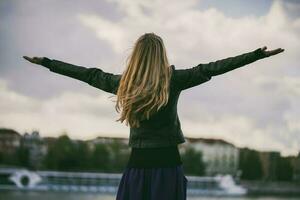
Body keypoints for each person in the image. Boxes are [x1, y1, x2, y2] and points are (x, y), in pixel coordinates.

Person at [23, 32, 284, 200]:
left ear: (136, 57)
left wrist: (47, 62)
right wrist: (256, 55)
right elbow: (214, 68)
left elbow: (88, 74)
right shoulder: (175, 80)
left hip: (137, 167)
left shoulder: (122, 84)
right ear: (161, 55)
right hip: (169, 166)